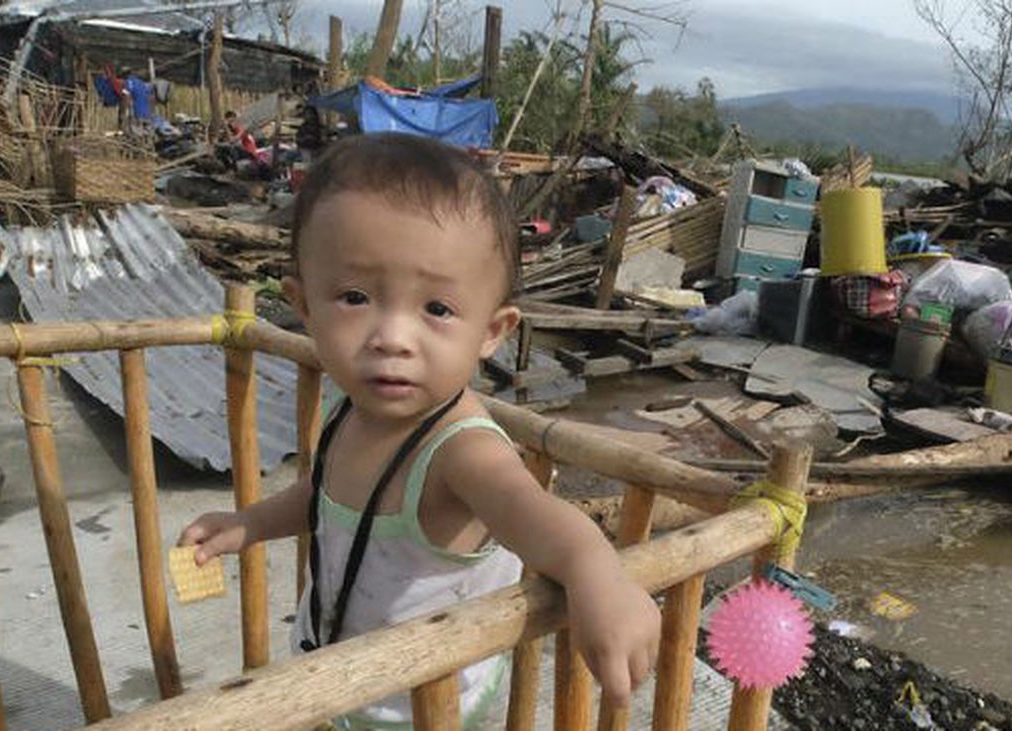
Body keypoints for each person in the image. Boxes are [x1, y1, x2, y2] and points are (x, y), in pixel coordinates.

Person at [178, 133, 661, 729]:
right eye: (355, 297)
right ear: (303, 307)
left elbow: (537, 516)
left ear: (492, 331)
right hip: (340, 673)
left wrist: (598, 575)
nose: (393, 337)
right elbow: (327, 496)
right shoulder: (351, 409)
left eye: (436, 309)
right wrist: (251, 522)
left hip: (425, 710)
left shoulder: (462, 452)